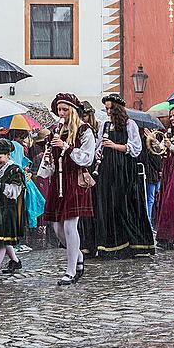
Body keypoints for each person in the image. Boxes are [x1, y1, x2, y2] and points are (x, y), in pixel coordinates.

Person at [37, 93, 96, 285]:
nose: (61, 113)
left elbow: (87, 157)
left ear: (73, 110)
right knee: (57, 227)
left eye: (65, 109)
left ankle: (70, 270)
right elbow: (51, 161)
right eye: (59, 110)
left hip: (74, 179)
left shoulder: (84, 130)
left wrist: (66, 148)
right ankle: (78, 257)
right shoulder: (55, 130)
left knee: (70, 226)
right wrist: (48, 159)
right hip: (58, 181)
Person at [94, 93, 155, 258]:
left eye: (110, 108)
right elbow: (99, 146)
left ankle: (134, 244)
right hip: (108, 169)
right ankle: (112, 245)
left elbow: (135, 149)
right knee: (109, 205)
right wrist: (98, 153)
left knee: (125, 205)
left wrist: (114, 146)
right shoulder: (105, 126)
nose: (107, 112)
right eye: (106, 108)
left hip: (124, 169)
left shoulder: (129, 124)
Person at [0, 138, 26, 273]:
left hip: (9, 209)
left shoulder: (14, 170)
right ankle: (15, 261)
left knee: (2, 239)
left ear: (8, 155)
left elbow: (14, 192)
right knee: (3, 238)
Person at [155, 107, 174, 250]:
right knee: (164, 199)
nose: (172, 118)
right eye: (171, 116)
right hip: (167, 167)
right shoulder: (170, 132)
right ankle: (166, 236)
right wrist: (154, 142)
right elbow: (160, 150)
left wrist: (170, 146)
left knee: (173, 200)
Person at [78, 100, 99, 259]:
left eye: (86, 115)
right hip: (84, 167)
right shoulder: (80, 130)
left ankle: (92, 242)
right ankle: (85, 242)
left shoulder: (95, 130)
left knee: (93, 209)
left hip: (94, 170)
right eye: (81, 115)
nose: (83, 118)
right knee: (84, 209)